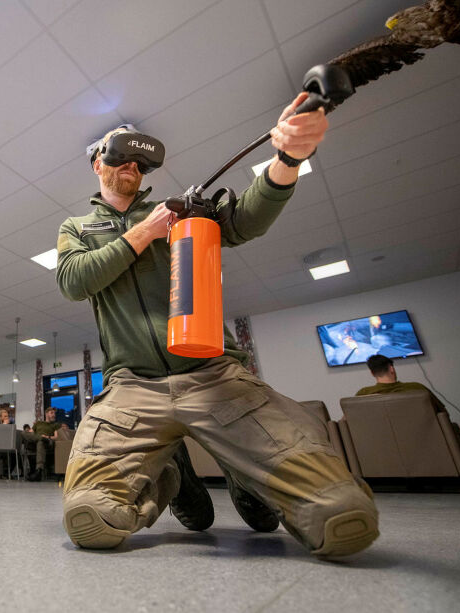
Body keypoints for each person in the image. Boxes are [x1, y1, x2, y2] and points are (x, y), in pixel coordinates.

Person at [57, 96, 378, 557]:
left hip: (213, 374)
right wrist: (146, 230)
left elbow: (245, 218)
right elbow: (74, 281)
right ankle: (168, 475)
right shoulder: (79, 229)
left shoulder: (182, 214)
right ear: (97, 164)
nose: (131, 166)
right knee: (91, 518)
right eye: (119, 155)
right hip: (133, 387)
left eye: (140, 162)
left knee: (339, 510)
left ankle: (245, 473)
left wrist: (287, 159)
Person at [355, 355, 446, 412]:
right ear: (391, 369)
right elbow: (442, 412)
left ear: (372, 373)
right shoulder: (417, 388)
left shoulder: (363, 394)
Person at [25, 408, 60, 481]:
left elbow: (56, 437)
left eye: (54, 413)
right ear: (46, 414)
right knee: (24, 433)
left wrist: (47, 437)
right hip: (36, 441)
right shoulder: (38, 423)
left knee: (41, 443)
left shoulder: (55, 425)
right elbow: (30, 432)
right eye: (52, 413)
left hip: (47, 442)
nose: (54, 415)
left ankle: (39, 470)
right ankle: (40, 438)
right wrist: (38, 436)